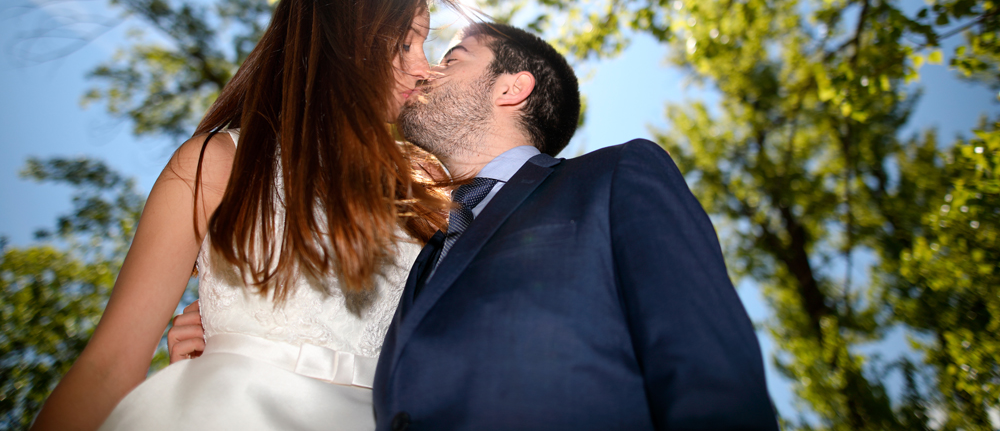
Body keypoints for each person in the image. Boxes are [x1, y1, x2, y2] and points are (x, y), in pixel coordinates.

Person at [172, 21, 780, 430]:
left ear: (512, 88)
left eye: (453, 58)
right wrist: (235, 345)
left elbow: (704, 365)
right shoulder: (415, 250)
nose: (424, 72)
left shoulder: (615, 177)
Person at [30, 0, 455, 431]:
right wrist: (217, 364)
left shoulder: (427, 182)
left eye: (425, 44)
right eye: (405, 42)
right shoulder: (215, 163)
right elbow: (109, 365)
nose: (424, 69)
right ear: (341, 36)